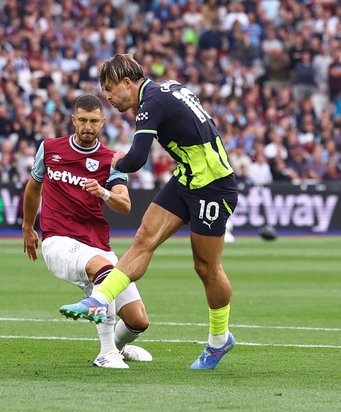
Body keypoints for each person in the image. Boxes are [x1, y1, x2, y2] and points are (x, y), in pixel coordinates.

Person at [59, 54, 239, 370]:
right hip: (188, 177)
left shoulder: (151, 102)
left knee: (206, 266)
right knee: (144, 239)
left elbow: (136, 159)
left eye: (111, 89)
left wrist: (111, 161)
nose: (109, 98)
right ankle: (99, 300)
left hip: (213, 184)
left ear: (128, 83)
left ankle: (218, 339)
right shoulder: (166, 88)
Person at [23, 95, 152, 369]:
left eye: (94, 121)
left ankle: (118, 346)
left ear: (103, 122)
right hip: (58, 240)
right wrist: (27, 227)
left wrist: (103, 192)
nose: (87, 126)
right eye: (82, 120)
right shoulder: (49, 149)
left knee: (138, 320)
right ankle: (106, 353)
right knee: (103, 269)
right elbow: (34, 187)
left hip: (97, 243)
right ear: (73, 120)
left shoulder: (112, 160)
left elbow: (125, 205)